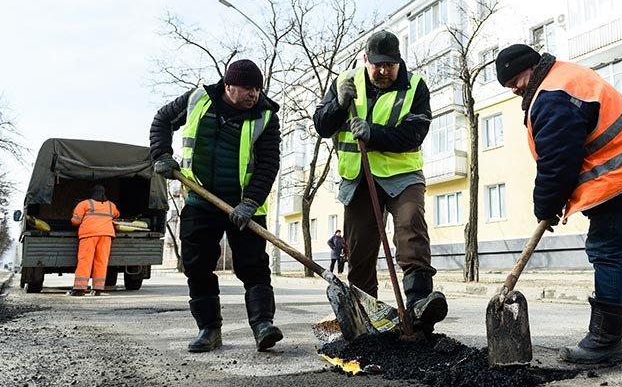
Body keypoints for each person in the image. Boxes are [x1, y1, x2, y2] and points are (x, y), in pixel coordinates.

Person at [495, 44, 622, 364]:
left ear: (528, 68)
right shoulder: (564, 77)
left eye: (513, 82)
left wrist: (545, 205)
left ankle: (605, 341)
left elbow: (557, 161)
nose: (513, 90)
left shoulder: (552, 95)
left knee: (606, 250)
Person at [314, 30, 448, 334]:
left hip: (402, 176)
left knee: (411, 226)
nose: (384, 71)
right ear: (366, 61)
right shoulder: (345, 82)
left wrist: (373, 134)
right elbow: (321, 125)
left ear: (399, 62)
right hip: (359, 177)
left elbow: (414, 135)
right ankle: (365, 313)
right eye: (378, 65)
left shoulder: (415, 87)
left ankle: (418, 304)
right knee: (359, 247)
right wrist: (338, 103)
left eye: (390, 65)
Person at [150, 59, 283, 353]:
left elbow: (269, 163)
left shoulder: (266, 117)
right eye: (248, 88)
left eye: (258, 89)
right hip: (201, 199)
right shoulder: (197, 99)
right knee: (197, 265)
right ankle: (209, 330)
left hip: (245, 205)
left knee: (253, 266)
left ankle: (263, 325)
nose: (254, 94)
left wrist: (250, 202)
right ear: (228, 85)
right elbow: (162, 120)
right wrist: (161, 153)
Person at [69, 185, 120, 296]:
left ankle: (79, 289)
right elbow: (116, 215)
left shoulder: (84, 204)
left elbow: (75, 221)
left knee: (85, 260)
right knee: (101, 261)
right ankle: (98, 289)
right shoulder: (111, 205)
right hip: (106, 235)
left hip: (89, 235)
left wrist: (73, 214)